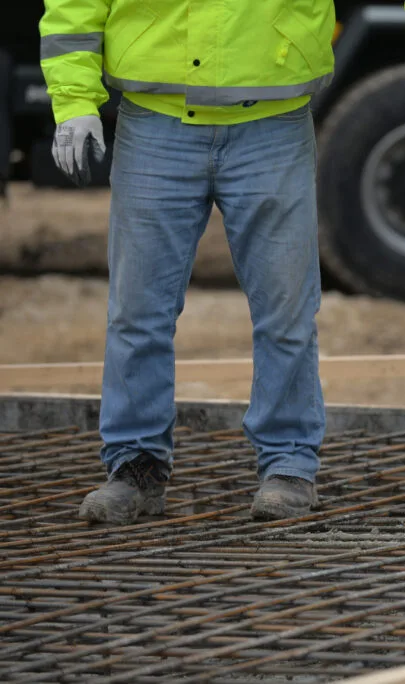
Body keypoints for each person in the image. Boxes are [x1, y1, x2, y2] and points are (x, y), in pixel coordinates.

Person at [39, 0, 335, 524]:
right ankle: (134, 466)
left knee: (287, 310)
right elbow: (74, 5)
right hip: (157, 121)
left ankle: (289, 463)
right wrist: (75, 99)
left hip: (273, 118)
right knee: (137, 311)